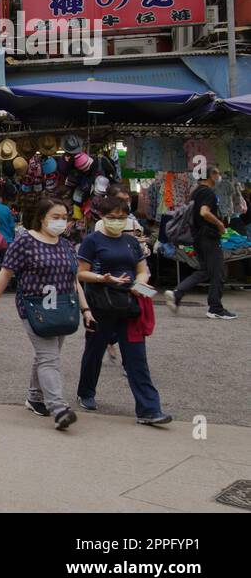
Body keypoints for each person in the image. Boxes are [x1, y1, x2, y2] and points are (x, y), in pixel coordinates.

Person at [0, 198, 88, 431]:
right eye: (55, 217)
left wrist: (85, 309)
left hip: (62, 308)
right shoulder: (25, 241)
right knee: (49, 357)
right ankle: (58, 407)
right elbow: (5, 273)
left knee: (46, 355)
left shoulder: (66, 245)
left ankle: (35, 397)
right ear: (42, 218)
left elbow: (74, 280)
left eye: (64, 217)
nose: (61, 222)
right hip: (34, 308)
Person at [77, 199, 172, 424]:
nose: (117, 221)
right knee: (94, 351)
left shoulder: (131, 242)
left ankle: (149, 409)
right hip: (102, 305)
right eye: (113, 216)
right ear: (102, 216)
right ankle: (86, 392)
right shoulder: (92, 241)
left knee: (137, 358)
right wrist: (103, 278)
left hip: (130, 306)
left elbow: (142, 270)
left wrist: (140, 285)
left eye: (122, 217)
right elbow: (81, 273)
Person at [165, 166, 236, 320]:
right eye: (217, 172)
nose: (219, 176)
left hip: (197, 237)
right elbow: (204, 212)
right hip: (209, 236)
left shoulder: (195, 192)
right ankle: (215, 308)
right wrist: (219, 224)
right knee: (218, 271)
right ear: (211, 175)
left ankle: (177, 293)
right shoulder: (207, 192)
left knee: (204, 271)